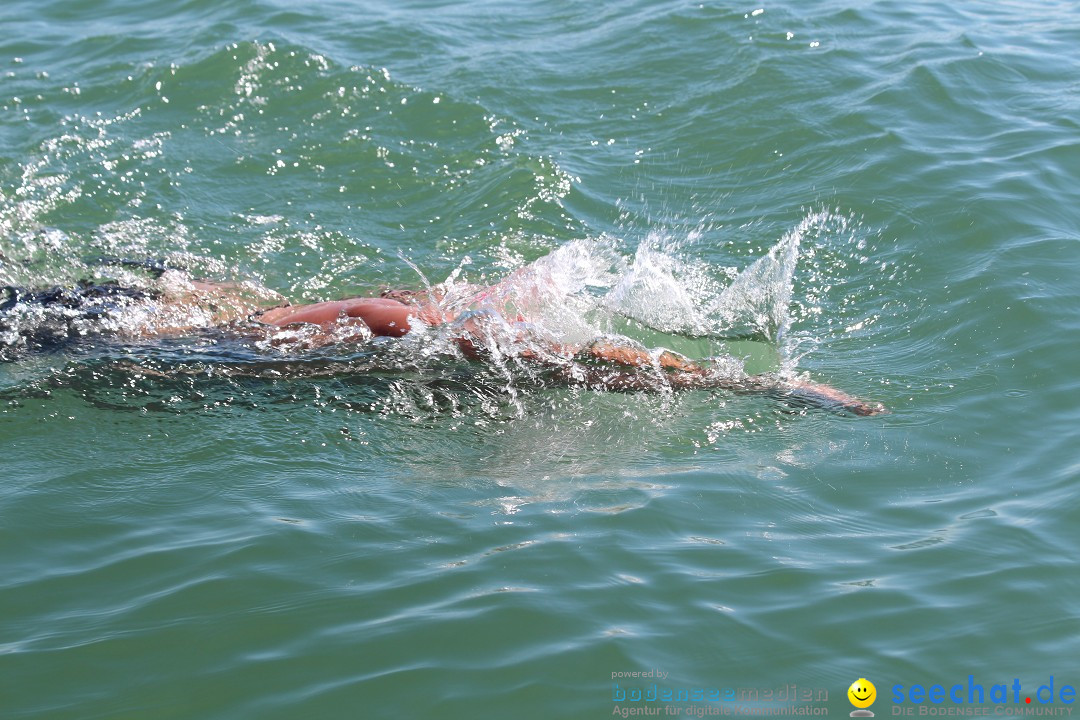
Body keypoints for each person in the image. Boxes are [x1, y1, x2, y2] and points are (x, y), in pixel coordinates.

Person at [0, 262, 886, 416]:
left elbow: (628, 367)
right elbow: (624, 368)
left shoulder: (437, 314)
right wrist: (778, 388)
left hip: (174, 320)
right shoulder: (435, 329)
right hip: (159, 339)